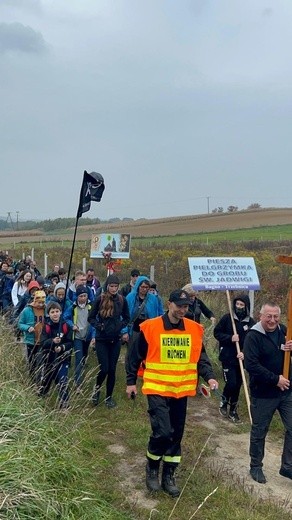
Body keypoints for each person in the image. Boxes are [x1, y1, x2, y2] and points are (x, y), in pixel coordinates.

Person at [126, 289, 219, 497]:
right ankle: (152, 467)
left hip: (181, 390)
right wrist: (131, 381)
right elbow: (134, 356)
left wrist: (210, 376)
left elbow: (200, 358)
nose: (183, 310)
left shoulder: (194, 330)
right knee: (163, 432)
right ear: (169, 304)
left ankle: (169, 474)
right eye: (179, 306)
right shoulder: (150, 327)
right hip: (157, 388)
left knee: (176, 435)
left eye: (186, 307)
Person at [243, 302, 292, 484]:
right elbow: (251, 365)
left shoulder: (285, 330)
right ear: (261, 315)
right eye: (268, 316)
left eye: (276, 316)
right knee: (259, 430)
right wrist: (275, 379)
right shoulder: (253, 336)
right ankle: (256, 466)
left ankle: (288, 466)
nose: (272, 320)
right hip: (263, 393)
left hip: (286, 391)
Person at [88, 274, 130, 408]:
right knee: (104, 368)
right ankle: (96, 391)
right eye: (111, 286)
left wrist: (120, 326)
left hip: (115, 339)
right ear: (107, 286)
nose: (113, 289)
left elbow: (127, 318)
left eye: (116, 286)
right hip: (101, 339)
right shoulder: (99, 299)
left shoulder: (122, 300)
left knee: (112, 369)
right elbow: (91, 317)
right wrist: (100, 326)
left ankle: (109, 397)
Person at [214, 294, 255, 424]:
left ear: (246, 306)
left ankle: (233, 410)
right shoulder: (228, 318)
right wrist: (230, 338)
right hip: (227, 357)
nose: (239, 307)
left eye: (242, 305)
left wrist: (244, 352)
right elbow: (217, 333)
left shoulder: (250, 323)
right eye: (237, 304)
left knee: (238, 385)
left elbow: (254, 342)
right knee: (231, 383)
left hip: (241, 359)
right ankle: (224, 401)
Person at [38, 301, 73, 410]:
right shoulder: (46, 327)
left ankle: (65, 404)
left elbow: (70, 343)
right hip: (49, 359)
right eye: (52, 312)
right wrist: (53, 341)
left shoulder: (66, 326)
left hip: (62, 359)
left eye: (57, 311)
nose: (55, 314)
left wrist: (61, 348)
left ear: (61, 312)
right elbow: (43, 343)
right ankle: (41, 399)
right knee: (46, 381)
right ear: (49, 313)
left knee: (62, 380)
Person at [63, 285, 95, 392]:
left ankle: (82, 374)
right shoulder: (73, 307)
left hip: (88, 336)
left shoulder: (91, 306)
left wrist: (94, 336)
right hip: (77, 336)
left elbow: (95, 322)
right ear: (77, 296)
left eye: (85, 295)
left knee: (84, 357)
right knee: (78, 357)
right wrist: (72, 325)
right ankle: (78, 383)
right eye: (81, 296)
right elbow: (65, 317)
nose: (83, 298)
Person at [18, 290, 46, 383]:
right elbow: (20, 324)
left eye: (42, 303)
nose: (40, 305)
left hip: (42, 341)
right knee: (32, 363)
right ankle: (32, 381)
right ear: (34, 300)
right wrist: (28, 327)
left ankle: (39, 382)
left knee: (40, 362)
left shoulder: (46, 310)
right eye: (38, 302)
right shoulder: (27, 310)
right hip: (31, 341)